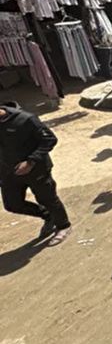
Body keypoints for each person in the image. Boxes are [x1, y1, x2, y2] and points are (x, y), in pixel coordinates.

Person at [0, 101, 71, 245]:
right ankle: (47, 216)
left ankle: (63, 226)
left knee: (47, 199)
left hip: (35, 169)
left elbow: (49, 139)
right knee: (12, 204)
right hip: (7, 172)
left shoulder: (25, 119)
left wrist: (30, 162)